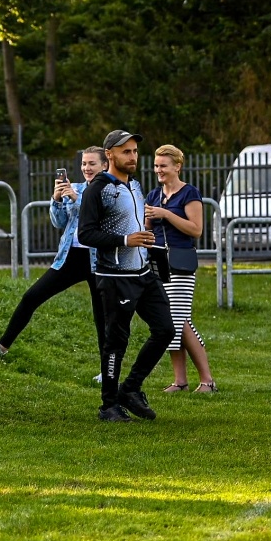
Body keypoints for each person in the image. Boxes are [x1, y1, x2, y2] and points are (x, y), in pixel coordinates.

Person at [0, 147, 107, 367]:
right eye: (84, 164)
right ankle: (2, 346)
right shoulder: (77, 187)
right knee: (31, 296)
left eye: (92, 164)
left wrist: (77, 200)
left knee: (101, 317)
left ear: (104, 165)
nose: (86, 168)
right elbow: (59, 223)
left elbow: (102, 220)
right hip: (70, 258)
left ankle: (107, 371)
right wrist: (56, 199)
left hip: (98, 261)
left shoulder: (110, 192)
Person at [78, 130, 175, 422]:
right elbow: (86, 233)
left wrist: (146, 240)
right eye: (126, 152)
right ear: (110, 155)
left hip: (144, 273)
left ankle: (130, 388)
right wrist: (125, 240)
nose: (133, 157)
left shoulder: (134, 184)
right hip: (115, 276)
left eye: (134, 151)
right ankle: (109, 405)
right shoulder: (97, 188)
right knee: (116, 342)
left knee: (166, 330)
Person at [145, 144, 215, 393]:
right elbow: (148, 229)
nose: (158, 170)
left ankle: (207, 380)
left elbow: (196, 230)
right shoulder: (154, 195)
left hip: (181, 262)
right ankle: (180, 381)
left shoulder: (189, 193)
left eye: (163, 165)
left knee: (179, 320)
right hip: (158, 263)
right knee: (169, 320)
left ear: (177, 166)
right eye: (156, 166)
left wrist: (166, 214)